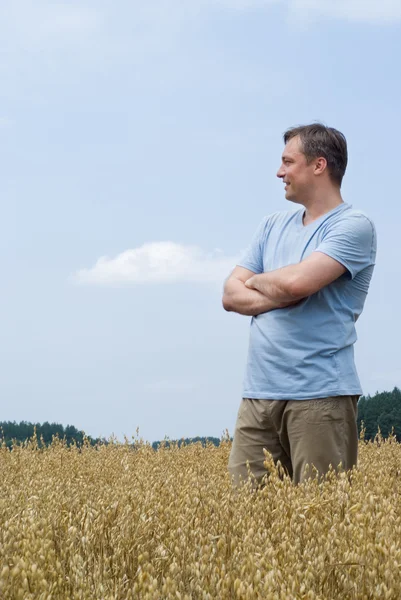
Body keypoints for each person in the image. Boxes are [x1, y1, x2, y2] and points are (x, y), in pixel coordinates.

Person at [222, 123, 377, 486]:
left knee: (320, 520)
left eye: (288, 162)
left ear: (319, 165)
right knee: (245, 521)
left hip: (320, 395)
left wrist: (258, 280)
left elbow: (298, 284)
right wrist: (280, 287)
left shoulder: (354, 226)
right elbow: (230, 295)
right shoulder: (271, 225)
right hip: (258, 394)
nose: (280, 172)